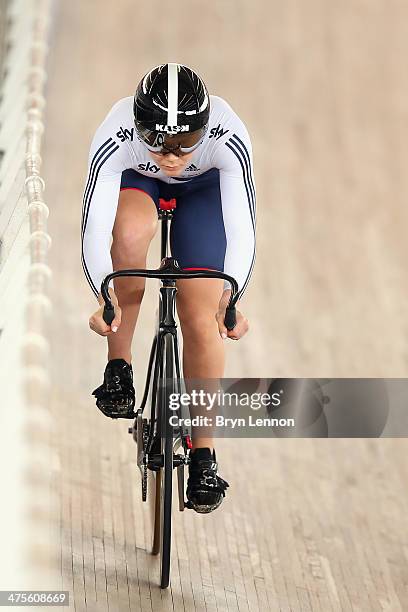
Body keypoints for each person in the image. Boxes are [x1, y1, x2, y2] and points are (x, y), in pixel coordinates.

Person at [81, 63, 256, 513]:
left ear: (205, 128)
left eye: (184, 143)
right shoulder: (116, 130)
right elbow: (94, 225)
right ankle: (118, 366)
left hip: (204, 192)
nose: (171, 155)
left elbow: (241, 228)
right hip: (137, 186)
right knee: (130, 235)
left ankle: (203, 455)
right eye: (157, 140)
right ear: (138, 127)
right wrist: (103, 293)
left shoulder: (227, 133)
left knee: (202, 317)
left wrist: (232, 296)